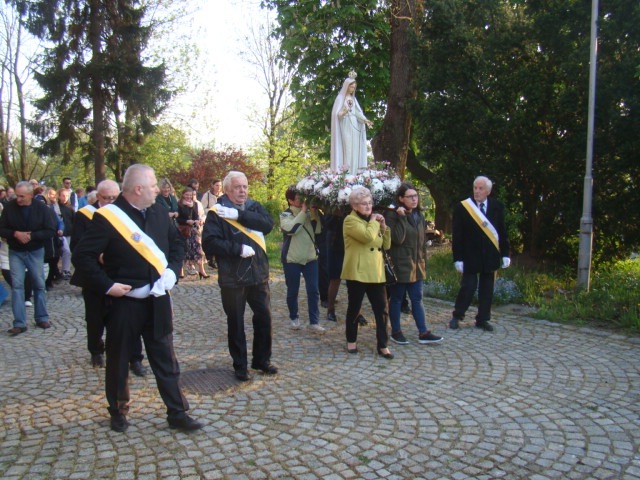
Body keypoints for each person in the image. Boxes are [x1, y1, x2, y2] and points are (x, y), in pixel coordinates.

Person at [72, 164, 202, 433]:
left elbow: (177, 244)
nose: (158, 189)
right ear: (139, 189)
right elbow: (82, 257)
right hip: (124, 303)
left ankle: (177, 412)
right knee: (118, 359)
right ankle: (118, 411)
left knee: (165, 358)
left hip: (157, 299)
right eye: (153, 185)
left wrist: (172, 273)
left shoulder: (158, 212)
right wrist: (107, 286)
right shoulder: (107, 217)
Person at [202, 171, 277, 382]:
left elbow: (268, 224)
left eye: (245, 186)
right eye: (237, 187)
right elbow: (209, 243)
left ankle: (261, 360)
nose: (242, 191)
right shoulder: (217, 213)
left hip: (258, 273)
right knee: (236, 323)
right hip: (233, 277)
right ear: (227, 190)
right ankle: (240, 365)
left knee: (264, 319)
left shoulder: (253, 206)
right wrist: (237, 249)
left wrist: (240, 216)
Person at [70, 179, 147, 375]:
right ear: (98, 197)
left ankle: (135, 358)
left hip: (122, 274)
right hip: (95, 275)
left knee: (130, 318)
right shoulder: (85, 215)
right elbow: (77, 247)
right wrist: (99, 255)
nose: (110, 201)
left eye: (114, 197)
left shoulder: (125, 214)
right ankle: (96, 351)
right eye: (106, 198)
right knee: (95, 317)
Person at [384, 183, 443, 345]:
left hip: (417, 265)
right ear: (401, 198)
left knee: (417, 299)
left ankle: (423, 332)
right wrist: (402, 217)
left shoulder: (419, 216)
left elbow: (422, 243)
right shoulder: (392, 215)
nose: (414, 199)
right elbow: (397, 239)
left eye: (415, 196)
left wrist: (424, 262)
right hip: (400, 265)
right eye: (409, 197)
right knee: (397, 299)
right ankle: (396, 331)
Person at [450, 176, 511, 332]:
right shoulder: (463, 207)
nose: (477, 191)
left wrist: (505, 253)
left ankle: (483, 319)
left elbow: (502, 232)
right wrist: (458, 258)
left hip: (490, 255)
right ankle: (457, 316)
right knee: (468, 287)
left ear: (488, 191)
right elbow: (457, 235)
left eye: (480, 188)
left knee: (487, 290)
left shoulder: (497, 206)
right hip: (470, 256)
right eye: (475, 188)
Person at [341, 186, 393, 358]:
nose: (368, 206)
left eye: (370, 203)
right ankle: (351, 341)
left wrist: (383, 226)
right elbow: (367, 237)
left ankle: (383, 344)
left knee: (382, 310)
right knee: (354, 308)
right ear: (354, 206)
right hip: (358, 272)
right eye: (364, 203)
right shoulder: (350, 220)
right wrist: (374, 221)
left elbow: (386, 245)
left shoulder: (373, 222)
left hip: (376, 272)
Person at [0, 181, 57, 335]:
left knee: (39, 284)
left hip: (35, 250)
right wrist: (15, 234)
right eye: (17, 196)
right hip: (16, 251)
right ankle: (19, 323)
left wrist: (31, 236)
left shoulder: (42, 208)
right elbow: (2, 228)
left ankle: (41, 317)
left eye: (22, 196)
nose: (18, 199)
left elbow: (50, 230)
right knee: (17, 286)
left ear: (31, 195)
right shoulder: (9, 208)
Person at [280, 186, 324, 333]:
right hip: (292, 259)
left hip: (310, 258)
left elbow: (318, 230)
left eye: (303, 197)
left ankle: (314, 322)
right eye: (298, 198)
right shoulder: (285, 215)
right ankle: (294, 318)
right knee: (293, 290)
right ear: (290, 200)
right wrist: (304, 212)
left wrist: (314, 213)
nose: (302, 200)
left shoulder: (309, 213)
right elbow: (291, 230)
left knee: (313, 290)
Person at [330, 71, 373, 174]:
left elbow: (357, 112)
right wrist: (344, 112)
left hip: (354, 123)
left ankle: (354, 171)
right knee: (347, 148)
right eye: (351, 87)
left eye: (354, 88)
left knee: (355, 148)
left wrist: (365, 120)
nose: (352, 89)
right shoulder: (340, 98)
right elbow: (337, 114)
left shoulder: (353, 99)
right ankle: (347, 171)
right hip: (345, 124)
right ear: (346, 86)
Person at [177, 188, 208, 279]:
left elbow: (196, 216)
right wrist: (187, 221)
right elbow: (178, 219)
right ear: (183, 195)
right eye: (187, 195)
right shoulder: (179, 204)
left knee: (198, 250)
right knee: (184, 250)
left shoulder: (194, 204)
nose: (188, 197)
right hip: (184, 230)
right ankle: (181, 271)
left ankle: (202, 270)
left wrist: (197, 221)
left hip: (194, 229)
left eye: (190, 195)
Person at [56, 188, 75, 279]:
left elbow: (74, 220)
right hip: (61, 233)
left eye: (67, 196)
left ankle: (66, 270)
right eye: (63, 196)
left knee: (68, 252)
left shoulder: (70, 208)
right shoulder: (56, 207)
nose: (65, 198)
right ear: (59, 196)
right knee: (65, 251)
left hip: (69, 232)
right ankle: (64, 270)